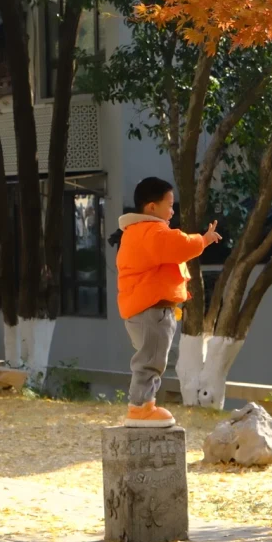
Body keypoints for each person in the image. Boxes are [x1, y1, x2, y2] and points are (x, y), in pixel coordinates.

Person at [115, 176, 221, 424]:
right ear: (152, 207)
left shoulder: (137, 232)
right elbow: (179, 245)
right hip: (150, 310)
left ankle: (145, 405)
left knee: (151, 358)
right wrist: (203, 239)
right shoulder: (151, 231)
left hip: (145, 309)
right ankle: (140, 407)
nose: (172, 211)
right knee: (150, 361)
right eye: (170, 204)